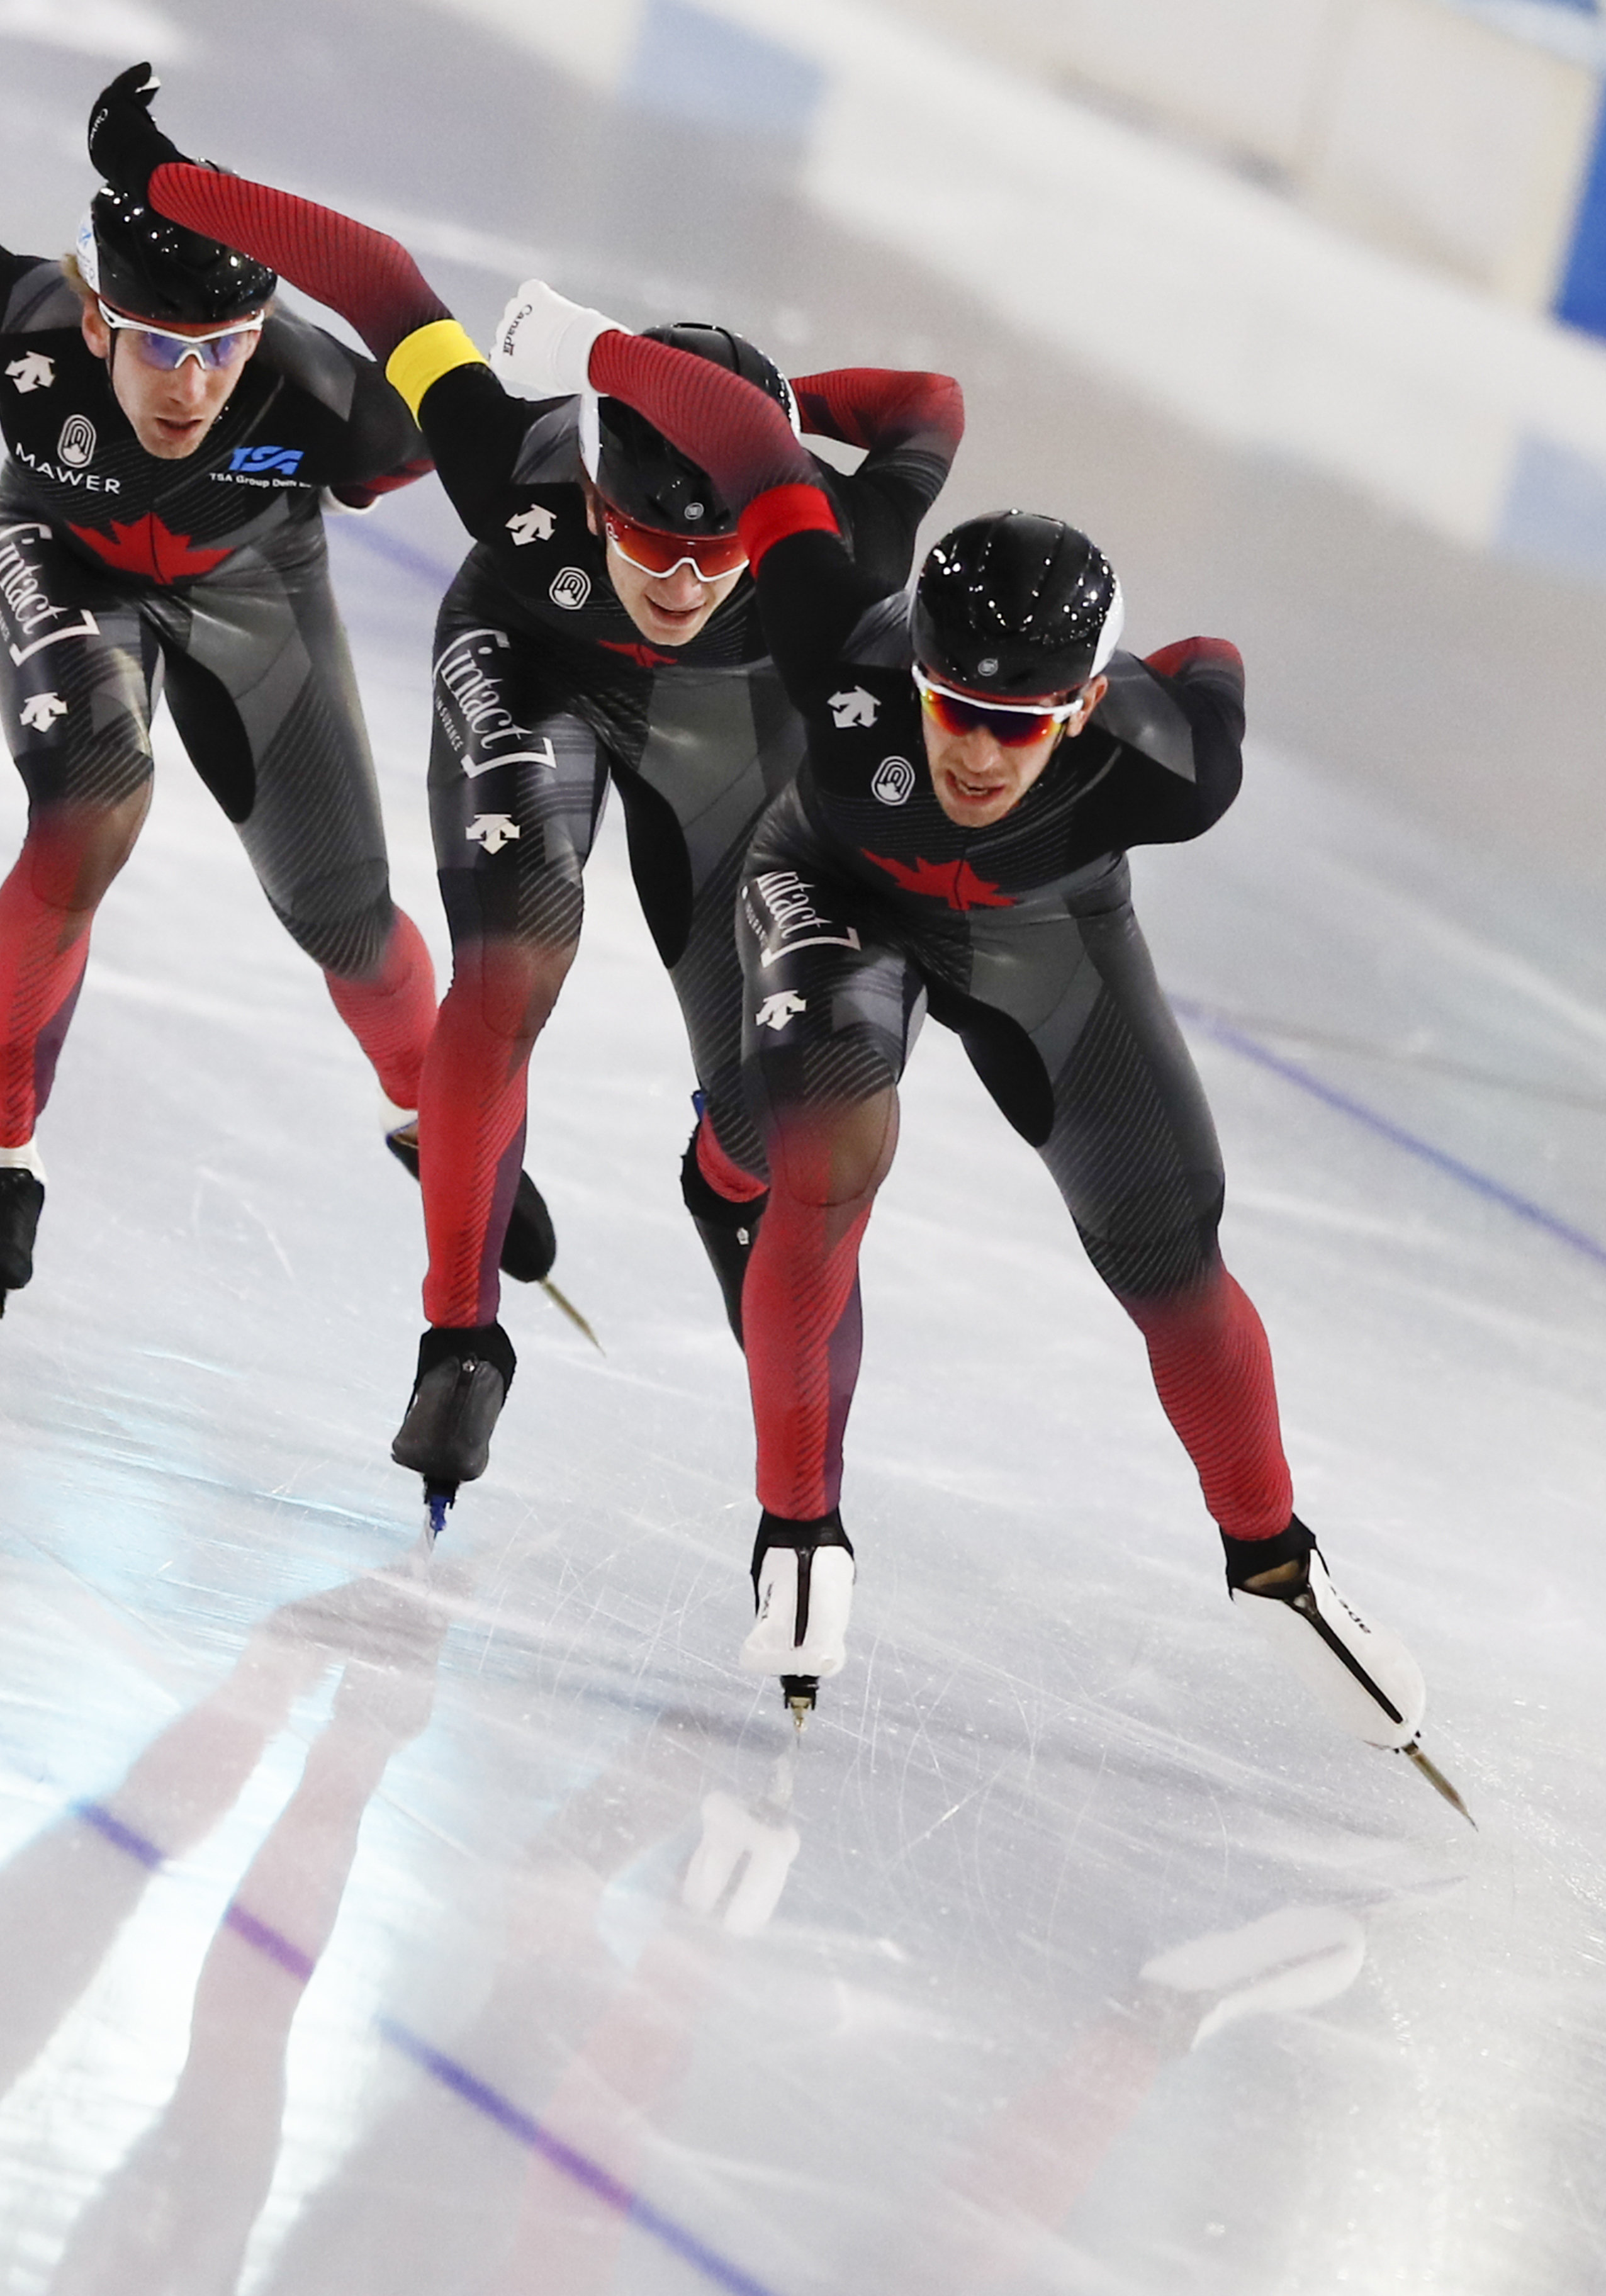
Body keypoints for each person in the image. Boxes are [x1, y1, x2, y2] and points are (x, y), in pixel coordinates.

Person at [471, 297, 1455, 1808]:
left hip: (1047, 931)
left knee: (1167, 1243)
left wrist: (1183, 678)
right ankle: (800, 1521)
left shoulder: (1166, 769)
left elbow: (1211, 656)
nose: (979, 751)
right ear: (910, 660)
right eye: (954, 706)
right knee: (827, 1159)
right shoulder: (835, 627)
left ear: (1080, 708)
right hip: (833, 893)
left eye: (1021, 720)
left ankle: (1273, 1560)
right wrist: (584, 344)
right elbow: (743, 434)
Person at [81, 68, 965, 1522]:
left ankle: (716, 1170)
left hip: (723, 731)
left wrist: (779, 416)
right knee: (514, 955)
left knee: (762, 1117)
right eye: (641, 541)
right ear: (594, 492)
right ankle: (459, 1335)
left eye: (712, 558)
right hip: (533, 661)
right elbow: (374, 279)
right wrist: (168, 178)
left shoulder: (835, 536)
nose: (678, 583)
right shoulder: (515, 469)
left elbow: (932, 402)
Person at [0, 96, 445, 1329]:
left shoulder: (331, 397)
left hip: (256, 595)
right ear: (95, 312)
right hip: (64, 563)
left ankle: (422, 1106)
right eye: (158, 345)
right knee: (92, 803)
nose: (194, 385)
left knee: (347, 919)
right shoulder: (23, 326)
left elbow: (481, 425)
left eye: (226, 347)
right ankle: (2, 1156)